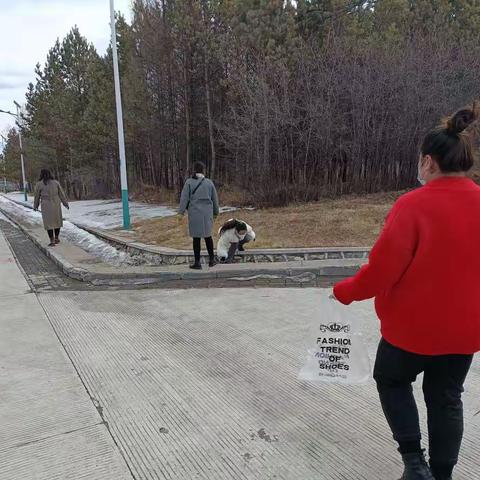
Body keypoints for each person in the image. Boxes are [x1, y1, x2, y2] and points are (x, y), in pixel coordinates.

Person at [333, 106, 480, 480]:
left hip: (409, 333)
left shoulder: (411, 206)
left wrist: (344, 292)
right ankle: (443, 474)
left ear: (428, 162)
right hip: (464, 333)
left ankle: (415, 463)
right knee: (447, 398)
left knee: (392, 379)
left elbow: (381, 272)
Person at [179, 162, 219, 269]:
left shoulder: (189, 182)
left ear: (194, 170)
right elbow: (215, 199)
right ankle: (211, 260)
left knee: (196, 238)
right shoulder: (209, 183)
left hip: (194, 213)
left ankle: (197, 262)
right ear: (203, 170)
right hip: (207, 214)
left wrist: (181, 212)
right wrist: (216, 212)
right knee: (208, 236)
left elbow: (184, 198)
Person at [33, 169, 69, 247]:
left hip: (46, 205)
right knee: (57, 221)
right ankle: (56, 238)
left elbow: (37, 196)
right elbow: (61, 194)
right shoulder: (56, 183)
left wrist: (35, 205)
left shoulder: (39, 184)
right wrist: (65, 203)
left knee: (48, 223)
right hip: (56, 203)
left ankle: (52, 240)